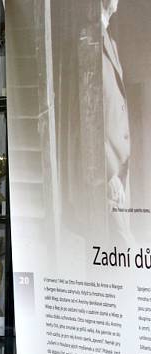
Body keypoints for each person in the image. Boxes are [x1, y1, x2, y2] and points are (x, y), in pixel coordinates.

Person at [102, 0, 133, 246]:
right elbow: (89, 115)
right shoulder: (89, 40)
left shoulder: (110, 40)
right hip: (108, 173)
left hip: (122, 168)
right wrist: (109, 173)